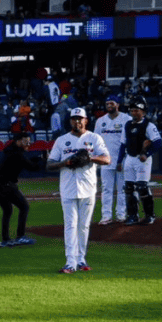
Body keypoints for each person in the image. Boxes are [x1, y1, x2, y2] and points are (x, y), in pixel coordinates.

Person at [46, 108, 112, 274]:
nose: (77, 122)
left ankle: (81, 258)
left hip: (88, 188)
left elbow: (107, 159)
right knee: (70, 225)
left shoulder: (94, 138)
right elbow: (49, 164)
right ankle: (70, 262)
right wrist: (65, 162)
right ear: (70, 121)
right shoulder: (62, 140)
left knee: (83, 226)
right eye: (74, 119)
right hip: (68, 188)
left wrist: (90, 158)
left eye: (80, 119)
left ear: (86, 120)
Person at [0, 129, 39, 247]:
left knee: (8, 210)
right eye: (25, 141)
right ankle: (20, 236)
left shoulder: (12, 151)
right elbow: (31, 167)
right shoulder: (16, 153)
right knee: (24, 206)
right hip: (5, 184)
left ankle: (5, 240)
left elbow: (26, 162)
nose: (28, 144)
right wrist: (43, 160)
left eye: (29, 142)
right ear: (18, 141)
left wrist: (38, 158)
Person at [119, 100, 162, 225]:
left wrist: (146, 153)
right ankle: (132, 215)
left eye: (136, 110)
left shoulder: (149, 125)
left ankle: (150, 215)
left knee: (142, 187)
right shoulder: (127, 125)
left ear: (142, 112)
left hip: (142, 159)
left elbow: (158, 142)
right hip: (130, 158)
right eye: (132, 110)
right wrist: (120, 160)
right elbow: (123, 143)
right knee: (128, 188)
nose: (134, 113)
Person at [94, 98, 131, 224]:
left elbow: (129, 140)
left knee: (121, 189)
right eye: (107, 103)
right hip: (106, 160)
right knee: (106, 189)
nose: (109, 105)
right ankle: (106, 216)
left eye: (112, 103)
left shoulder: (126, 119)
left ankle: (121, 214)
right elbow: (96, 140)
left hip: (123, 160)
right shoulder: (100, 121)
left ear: (118, 105)